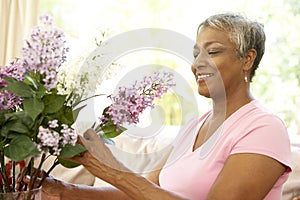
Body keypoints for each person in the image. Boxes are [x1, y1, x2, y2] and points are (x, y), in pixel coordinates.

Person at [37, 12, 292, 200]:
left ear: (247, 58)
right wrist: (63, 189)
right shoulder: (195, 125)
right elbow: (139, 192)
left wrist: (110, 169)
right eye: (196, 54)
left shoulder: (263, 128)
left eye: (212, 52)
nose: (197, 64)